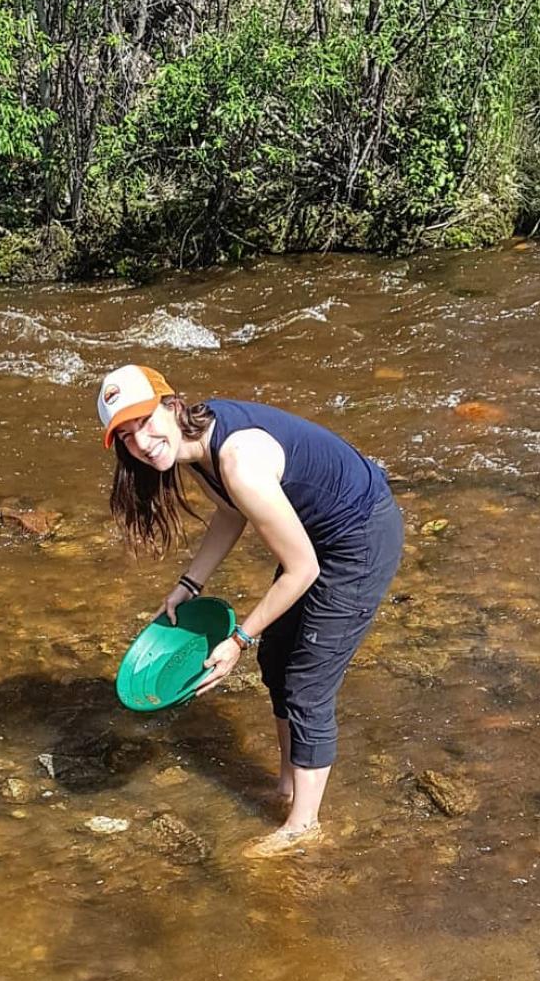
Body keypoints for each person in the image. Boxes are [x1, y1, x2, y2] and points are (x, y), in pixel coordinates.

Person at [97, 363, 404, 858]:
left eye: (147, 421)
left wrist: (239, 639)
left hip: (358, 538)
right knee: (277, 658)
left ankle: (304, 827)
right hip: (316, 540)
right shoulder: (195, 446)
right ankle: (286, 785)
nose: (144, 442)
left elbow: (301, 569)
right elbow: (231, 510)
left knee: (307, 681)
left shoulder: (238, 458)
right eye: (128, 436)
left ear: (172, 406)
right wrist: (188, 585)